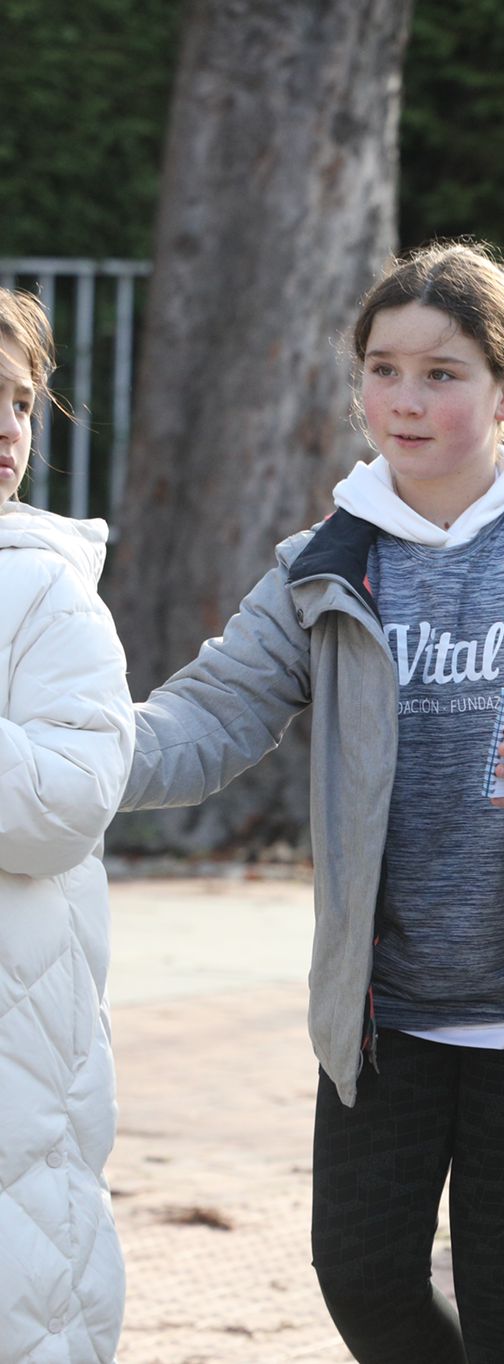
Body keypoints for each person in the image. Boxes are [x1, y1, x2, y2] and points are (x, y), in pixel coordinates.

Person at [121, 241, 504, 1364]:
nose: (406, 399)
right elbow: (210, 710)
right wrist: (66, 760)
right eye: (384, 368)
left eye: (442, 372)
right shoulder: (327, 562)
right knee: (366, 1282)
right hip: (386, 1010)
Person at [0, 288, 134, 1364]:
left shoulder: (45, 591)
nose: (8, 427)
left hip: (16, 1064)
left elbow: (61, 800)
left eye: (22, 401)